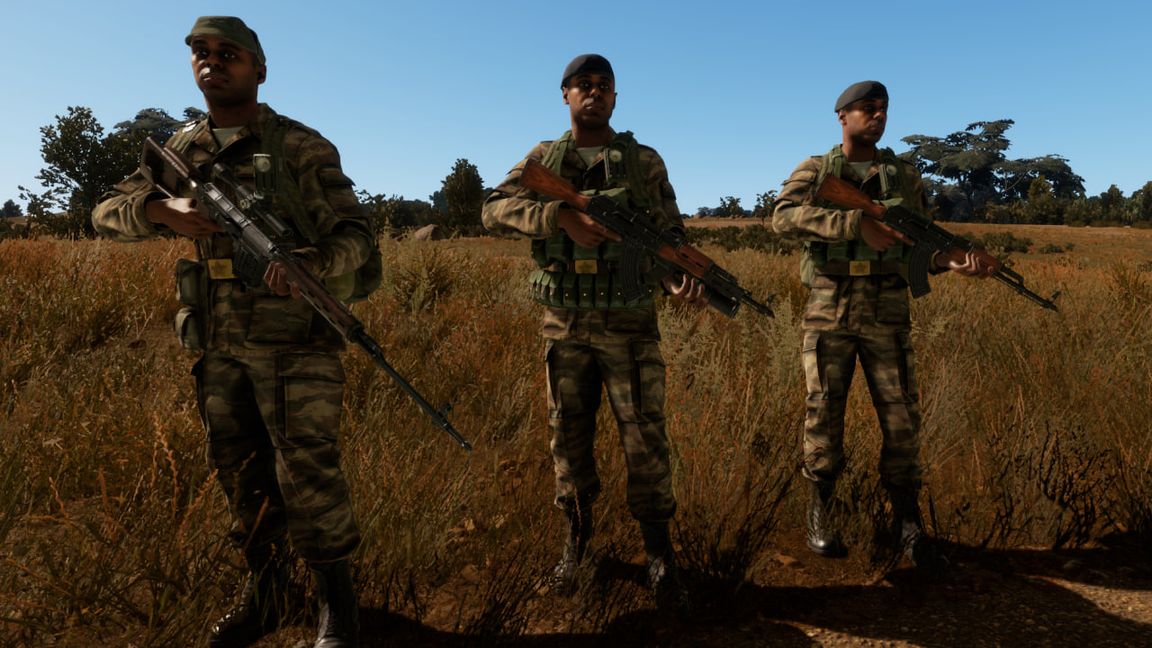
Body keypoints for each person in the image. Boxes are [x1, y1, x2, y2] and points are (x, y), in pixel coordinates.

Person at [92, 16, 379, 648]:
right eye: (201, 52)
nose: (212, 62)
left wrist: (311, 264)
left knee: (309, 473)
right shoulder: (180, 149)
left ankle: (338, 606)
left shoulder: (300, 146)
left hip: (295, 343)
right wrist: (161, 210)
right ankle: (268, 594)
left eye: (229, 54)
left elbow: (357, 234)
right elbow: (105, 213)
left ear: (259, 69)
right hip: (218, 344)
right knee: (240, 472)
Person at [482, 54, 702, 610]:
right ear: (565, 94)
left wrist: (674, 275)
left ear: (615, 97)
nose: (595, 92)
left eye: (604, 85)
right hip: (566, 326)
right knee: (568, 440)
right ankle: (576, 548)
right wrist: (558, 218)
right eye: (584, 84)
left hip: (631, 324)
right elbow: (493, 209)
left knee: (646, 441)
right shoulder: (543, 158)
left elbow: (670, 232)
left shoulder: (644, 161)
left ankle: (659, 556)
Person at [771, 81, 993, 566]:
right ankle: (821, 512)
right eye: (867, 109)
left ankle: (908, 522)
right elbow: (782, 218)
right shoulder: (816, 169)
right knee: (823, 412)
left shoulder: (904, 177)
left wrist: (947, 262)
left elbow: (919, 247)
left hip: (888, 308)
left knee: (901, 417)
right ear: (842, 116)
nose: (877, 116)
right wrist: (854, 224)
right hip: (829, 305)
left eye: (883, 109)